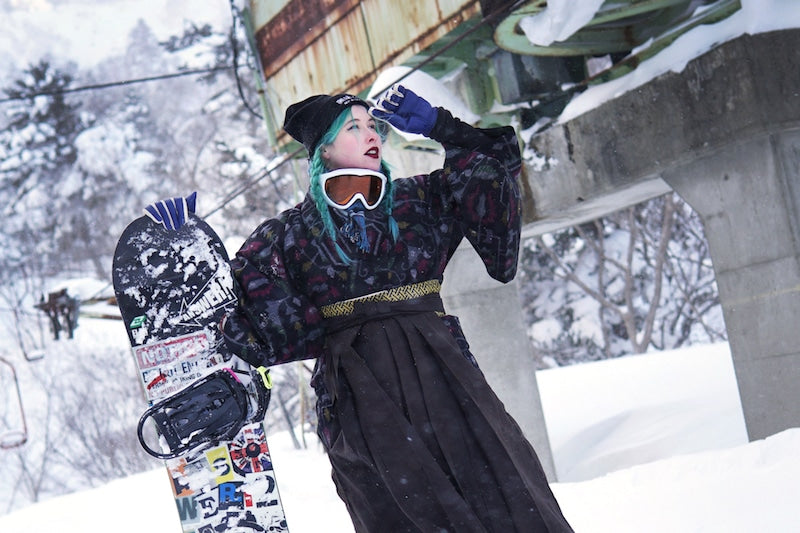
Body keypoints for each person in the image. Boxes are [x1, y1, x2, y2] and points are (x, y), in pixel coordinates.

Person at [152, 85, 573, 532]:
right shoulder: (286, 236)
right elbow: (263, 327)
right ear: (325, 149)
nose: (370, 133)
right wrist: (191, 254)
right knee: (406, 514)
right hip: (359, 395)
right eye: (353, 127)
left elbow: (494, 175)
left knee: (507, 493)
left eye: (373, 125)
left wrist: (442, 128)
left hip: (447, 376)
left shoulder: (420, 202)